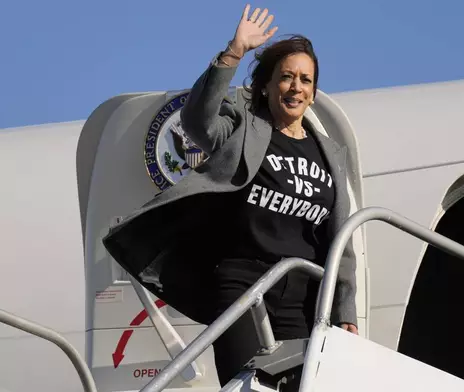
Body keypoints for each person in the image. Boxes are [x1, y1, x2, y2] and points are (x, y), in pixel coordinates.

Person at [102, 4, 358, 387]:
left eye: (305, 80)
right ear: (267, 86)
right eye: (286, 77)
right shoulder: (244, 131)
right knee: (248, 382)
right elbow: (198, 121)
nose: (296, 87)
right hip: (246, 283)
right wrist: (234, 51)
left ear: (314, 91)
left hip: (302, 296)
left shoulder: (330, 155)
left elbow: (341, 242)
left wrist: (345, 312)